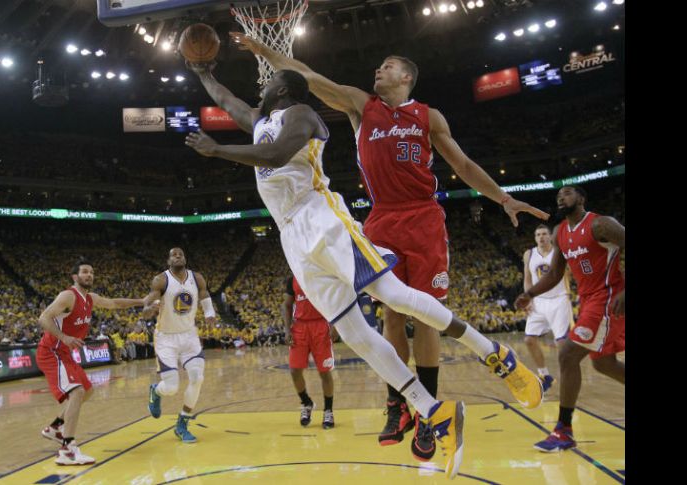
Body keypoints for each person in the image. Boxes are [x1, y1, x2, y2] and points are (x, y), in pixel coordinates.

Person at [184, 62, 543, 478]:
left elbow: (275, 155)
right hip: (291, 236)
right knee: (355, 334)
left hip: (323, 219)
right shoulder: (260, 121)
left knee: (393, 296)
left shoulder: (302, 114)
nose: (260, 87)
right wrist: (203, 72)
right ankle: (434, 411)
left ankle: (495, 353)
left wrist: (216, 150)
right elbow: (227, 100)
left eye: (269, 83)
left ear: (282, 90)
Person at [515, 186, 625, 452]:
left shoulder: (601, 224)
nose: (561, 197)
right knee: (604, 364)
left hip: (608, 299)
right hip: (588, 301)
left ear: (581, 198)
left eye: (567, 193)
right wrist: (529, 294)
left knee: (567, 354)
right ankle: (564, 431)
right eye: (558, 196)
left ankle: (563, 430)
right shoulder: (560, 232)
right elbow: (554, 274)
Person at [37, 261, 144, 465]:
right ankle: (67, 450)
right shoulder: (68, 296)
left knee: (87, 390)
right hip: (51, 352)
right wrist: (64, 337)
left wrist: (141, 301)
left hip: (65, 353)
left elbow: (114, 303)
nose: (89, 275)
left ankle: (55, 427)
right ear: (75, 277)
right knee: (77, 392)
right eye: (85, 272)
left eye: (92, 272)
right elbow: (43, 318)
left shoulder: (90, 298)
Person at [142, 247, 216, 443]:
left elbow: (204, 294)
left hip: (189, 335)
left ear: (185, 258)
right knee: (171, 387)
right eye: (173, 255)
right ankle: (156, 391)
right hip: (166, 338)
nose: (177, 256)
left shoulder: (197, 278)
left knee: (197, 378)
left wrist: (209, 313)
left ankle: (182, 423)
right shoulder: (161, 280)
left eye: (180, 254)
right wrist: (149, 310)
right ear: (168, 261)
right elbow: (149, 304)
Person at [522, 224, 574, 390]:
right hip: (538, 300)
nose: (541, 237)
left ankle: (567, 376)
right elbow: (527, 278)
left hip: (559, 299)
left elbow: (570, 273)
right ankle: (545, 376)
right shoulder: (529, 254)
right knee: (529, 340)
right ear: (535, 238)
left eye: (544, 234)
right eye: (538, 235)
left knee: (562, 343)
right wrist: (528, 298)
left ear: (550, 236)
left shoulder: (560, 252)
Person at [282, 275, 335, 429]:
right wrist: (287, 330)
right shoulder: (292, 279)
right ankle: (306, 403)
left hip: (321, 325)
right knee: (294, 371)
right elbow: (286, 305)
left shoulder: (322, 274)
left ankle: (328, 410)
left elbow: (333, 301)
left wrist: (335, 325)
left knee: (324, 372)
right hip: (299, 327)